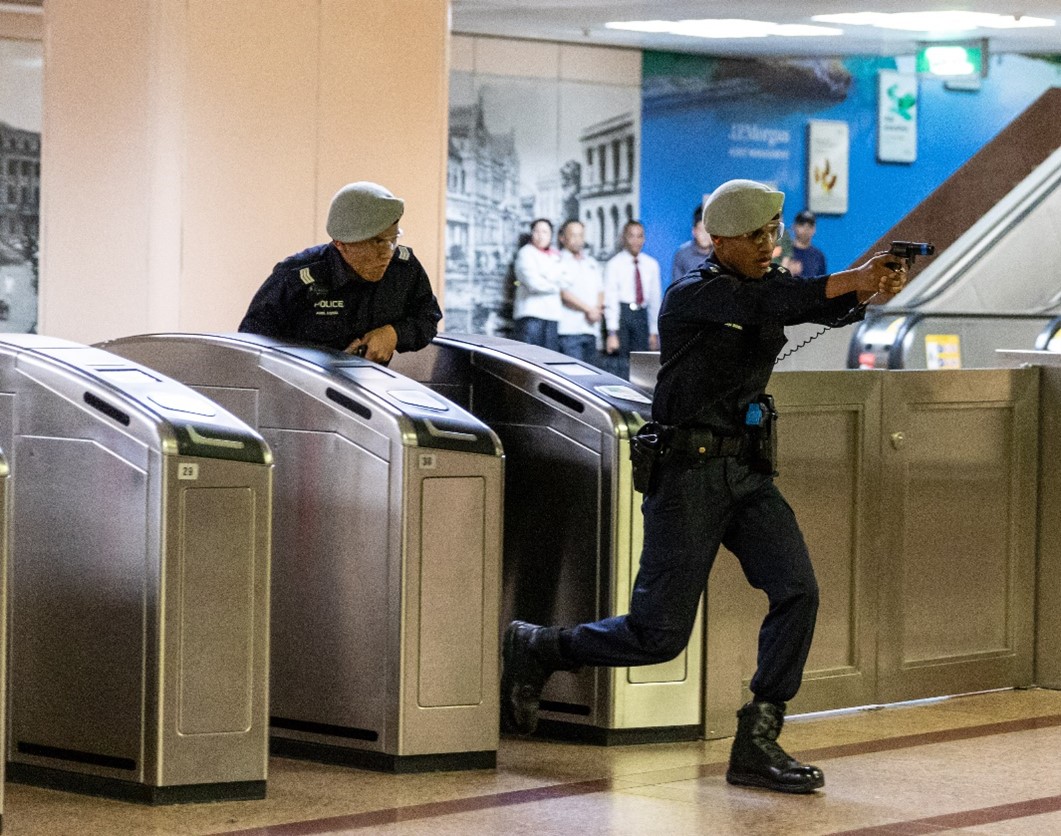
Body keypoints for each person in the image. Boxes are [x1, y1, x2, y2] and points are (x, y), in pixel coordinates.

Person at [500, 179, 908, 795]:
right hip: (688, 473)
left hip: (745, 471)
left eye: (774, 232)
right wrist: (854, 279)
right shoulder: (696, 292)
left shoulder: (762, 284)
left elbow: (804, 302)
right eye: (757, 236)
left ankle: (758, 738)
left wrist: (868, 290)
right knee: (656, 636)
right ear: (719, 241)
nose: (770, 244)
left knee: (797, 591)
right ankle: (540, 646)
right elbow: (775, 306)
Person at [239, 181, 442, 363]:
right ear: (341, 243)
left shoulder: (404, 269)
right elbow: (251, 346)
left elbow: (427, 318)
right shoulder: (297, 277)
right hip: (299, 391)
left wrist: (394, 334)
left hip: (371, 391)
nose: (388, 252)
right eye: (378, 241)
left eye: (393, 240)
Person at [603, 220, 660, 379]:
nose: (636, 240)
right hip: (623, 314)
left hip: (641, 315)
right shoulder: (614, 264)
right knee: (621, 366)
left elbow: (655, 300)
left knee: (642, 366)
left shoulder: (651, 264)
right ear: (624, 238)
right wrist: (612, 331)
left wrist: (654, 331)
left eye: (640, 236)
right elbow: (611, 298)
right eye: (631, 236)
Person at [512, 218, 566, 352]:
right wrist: (555, 284)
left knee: (549, 360)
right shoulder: (526, 253)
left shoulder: (556, 255)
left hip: (552, 315)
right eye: (536, 231)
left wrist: (545, 277)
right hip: (530, 315)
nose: (540, 235)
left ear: (551, 235)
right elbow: (533, 284)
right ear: (531, 233)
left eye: (545, 232)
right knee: (530, 358)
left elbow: (566, 279)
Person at [556, 220, 604, 364]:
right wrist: (589, 310)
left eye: (581, 235)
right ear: (562, 237)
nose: (578, 239)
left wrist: (597, 310)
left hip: (591, 329)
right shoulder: (557, 260)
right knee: (573, 379)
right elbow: (563, 293)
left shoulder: (591, 262)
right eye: (574, 235)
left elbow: (600, 291)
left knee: (591, 379)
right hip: (569, 330)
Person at [670, 204, 714, 283]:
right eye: (701, 230)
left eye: (708, 231)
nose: (705, 235)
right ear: (694, 231)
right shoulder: (682, 255)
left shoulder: (721, 254)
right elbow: (676, 287)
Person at [782, 209, 827, 278]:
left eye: (810, 225)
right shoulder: (785, 251)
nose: (806, 228)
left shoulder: (818, 256)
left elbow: (821, 283)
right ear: (794, 226)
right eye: (802, 224)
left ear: (814, 229)